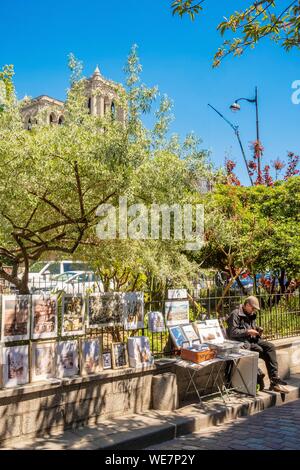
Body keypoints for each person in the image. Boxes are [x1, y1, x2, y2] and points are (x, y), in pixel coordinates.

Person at [227, 296, 289, 393]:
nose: (254, 311)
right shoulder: (235, 314)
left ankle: (274, 379)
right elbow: (232, 332)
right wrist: (248, 331)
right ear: (247, 305)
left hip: (252, 340)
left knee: (270, 347)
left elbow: (252, 328)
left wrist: (257, 330)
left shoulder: (251, 314)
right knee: (260, 350)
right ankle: (259, 374)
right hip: (242, 342)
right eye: (253, 308)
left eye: (255, 309)